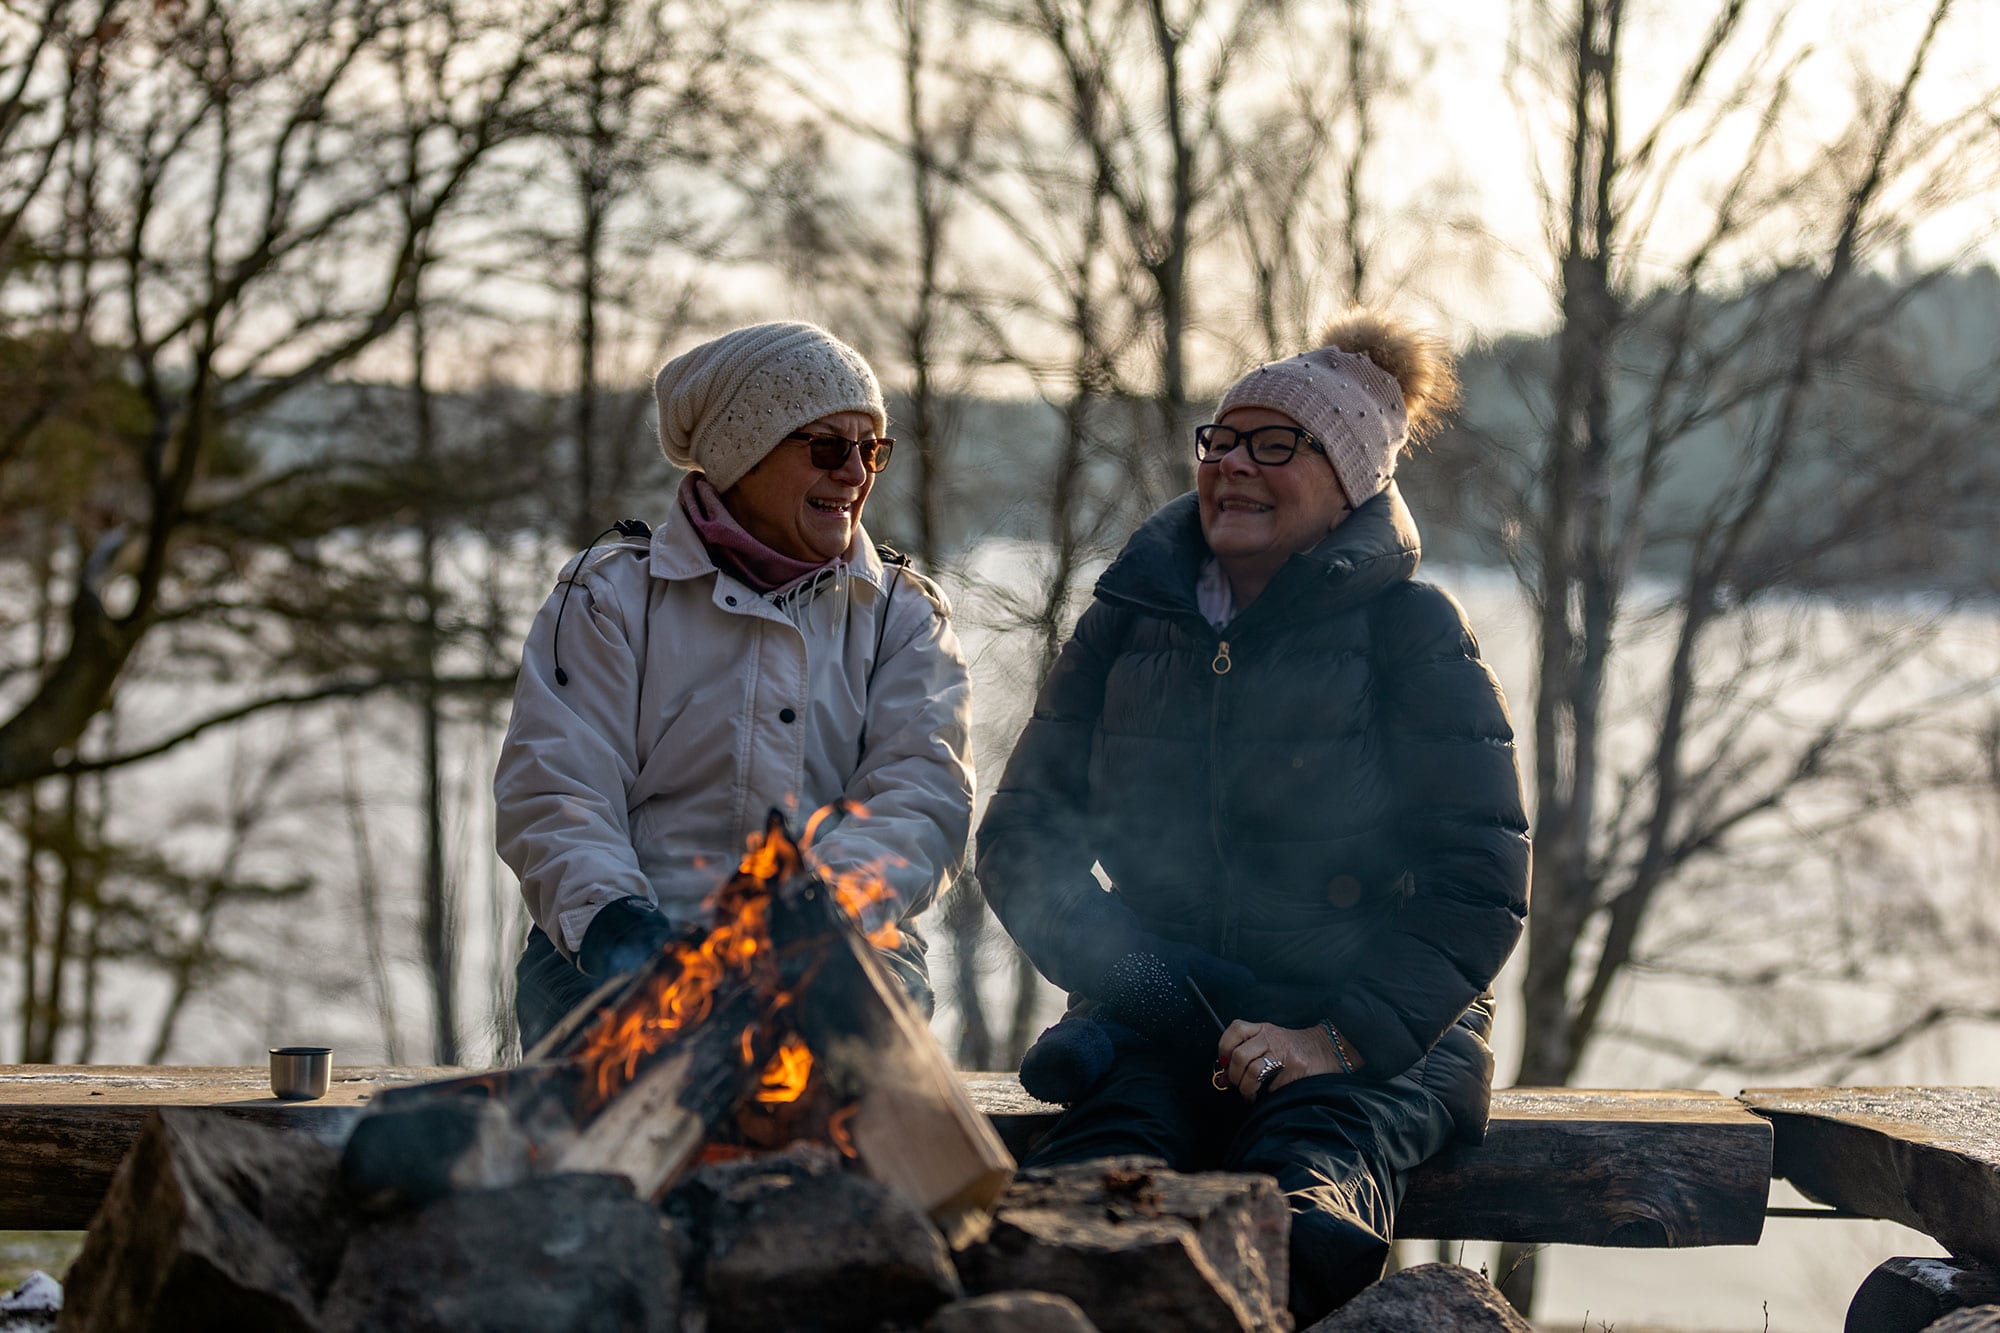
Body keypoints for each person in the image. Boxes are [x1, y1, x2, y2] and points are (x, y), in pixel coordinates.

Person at [975, 311, 1529, 1324]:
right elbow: (1020, 841)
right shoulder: (1127, 619)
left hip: (1360, 1038)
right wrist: (1149, 988)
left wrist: (1335, 1037)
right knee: (1070, 1226)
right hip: (1151, 1018)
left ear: (1350, 479)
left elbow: (1478, 880)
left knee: (1296, 1232)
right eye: (1220, 439)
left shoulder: (1412, 633)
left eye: (1276, 444)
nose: (1233, 464)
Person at [496, 321, 974, 1050]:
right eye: (826, 446)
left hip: (836, 952)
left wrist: (813, 924)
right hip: (622, 953)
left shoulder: (903, 616)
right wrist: (626, 934)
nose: (855, 473)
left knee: (833, 1101)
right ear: (741, 454)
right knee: (622, 1113)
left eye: (870, 448)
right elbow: (558, 789)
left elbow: (920, 798)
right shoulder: (608, 599)